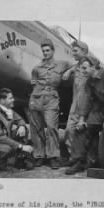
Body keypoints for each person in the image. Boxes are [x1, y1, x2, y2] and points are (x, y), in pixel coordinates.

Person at [65, 56, 104, 174]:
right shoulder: (89, 81)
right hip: (101, 110)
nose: (82, 71)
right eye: (81, 68)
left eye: (84, 68)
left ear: (94, 67)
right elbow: (86, 101)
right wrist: (81, 119)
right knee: (81, 129)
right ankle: (81, 161)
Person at [29, 38, 71, 169]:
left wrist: (69, 72)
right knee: (36, 129)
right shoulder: (36, 68)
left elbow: (77, 64)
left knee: (52, 127)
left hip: (52, 99)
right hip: (36, 99)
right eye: (43, 51)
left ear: (53, 51)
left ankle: (53, 157)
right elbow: (33, 84)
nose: (45, 53)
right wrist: (32, 101)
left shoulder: (62, 64)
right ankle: (39, 156)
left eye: (47, 50)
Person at [0, 88, 34, 171]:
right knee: (7, 149)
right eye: (10, 98)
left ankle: (19, 159)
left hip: (1, 140)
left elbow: (20, 119)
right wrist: (21, 146)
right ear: (2, 100)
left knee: (23, 130)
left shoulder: (8, 110)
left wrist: (22, 126)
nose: (13, 100)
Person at [61, 40, 89, 165]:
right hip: (74, 104)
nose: (73, 53)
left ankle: (81, 160)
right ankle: (73, 157)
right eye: (72, 50)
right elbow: (76, 66)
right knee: (69, 131)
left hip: (86, 105)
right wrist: (69, 71)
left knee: (82, 133)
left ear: (84, 51)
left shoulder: (92, 66)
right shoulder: (77, 66)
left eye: (75, 51)